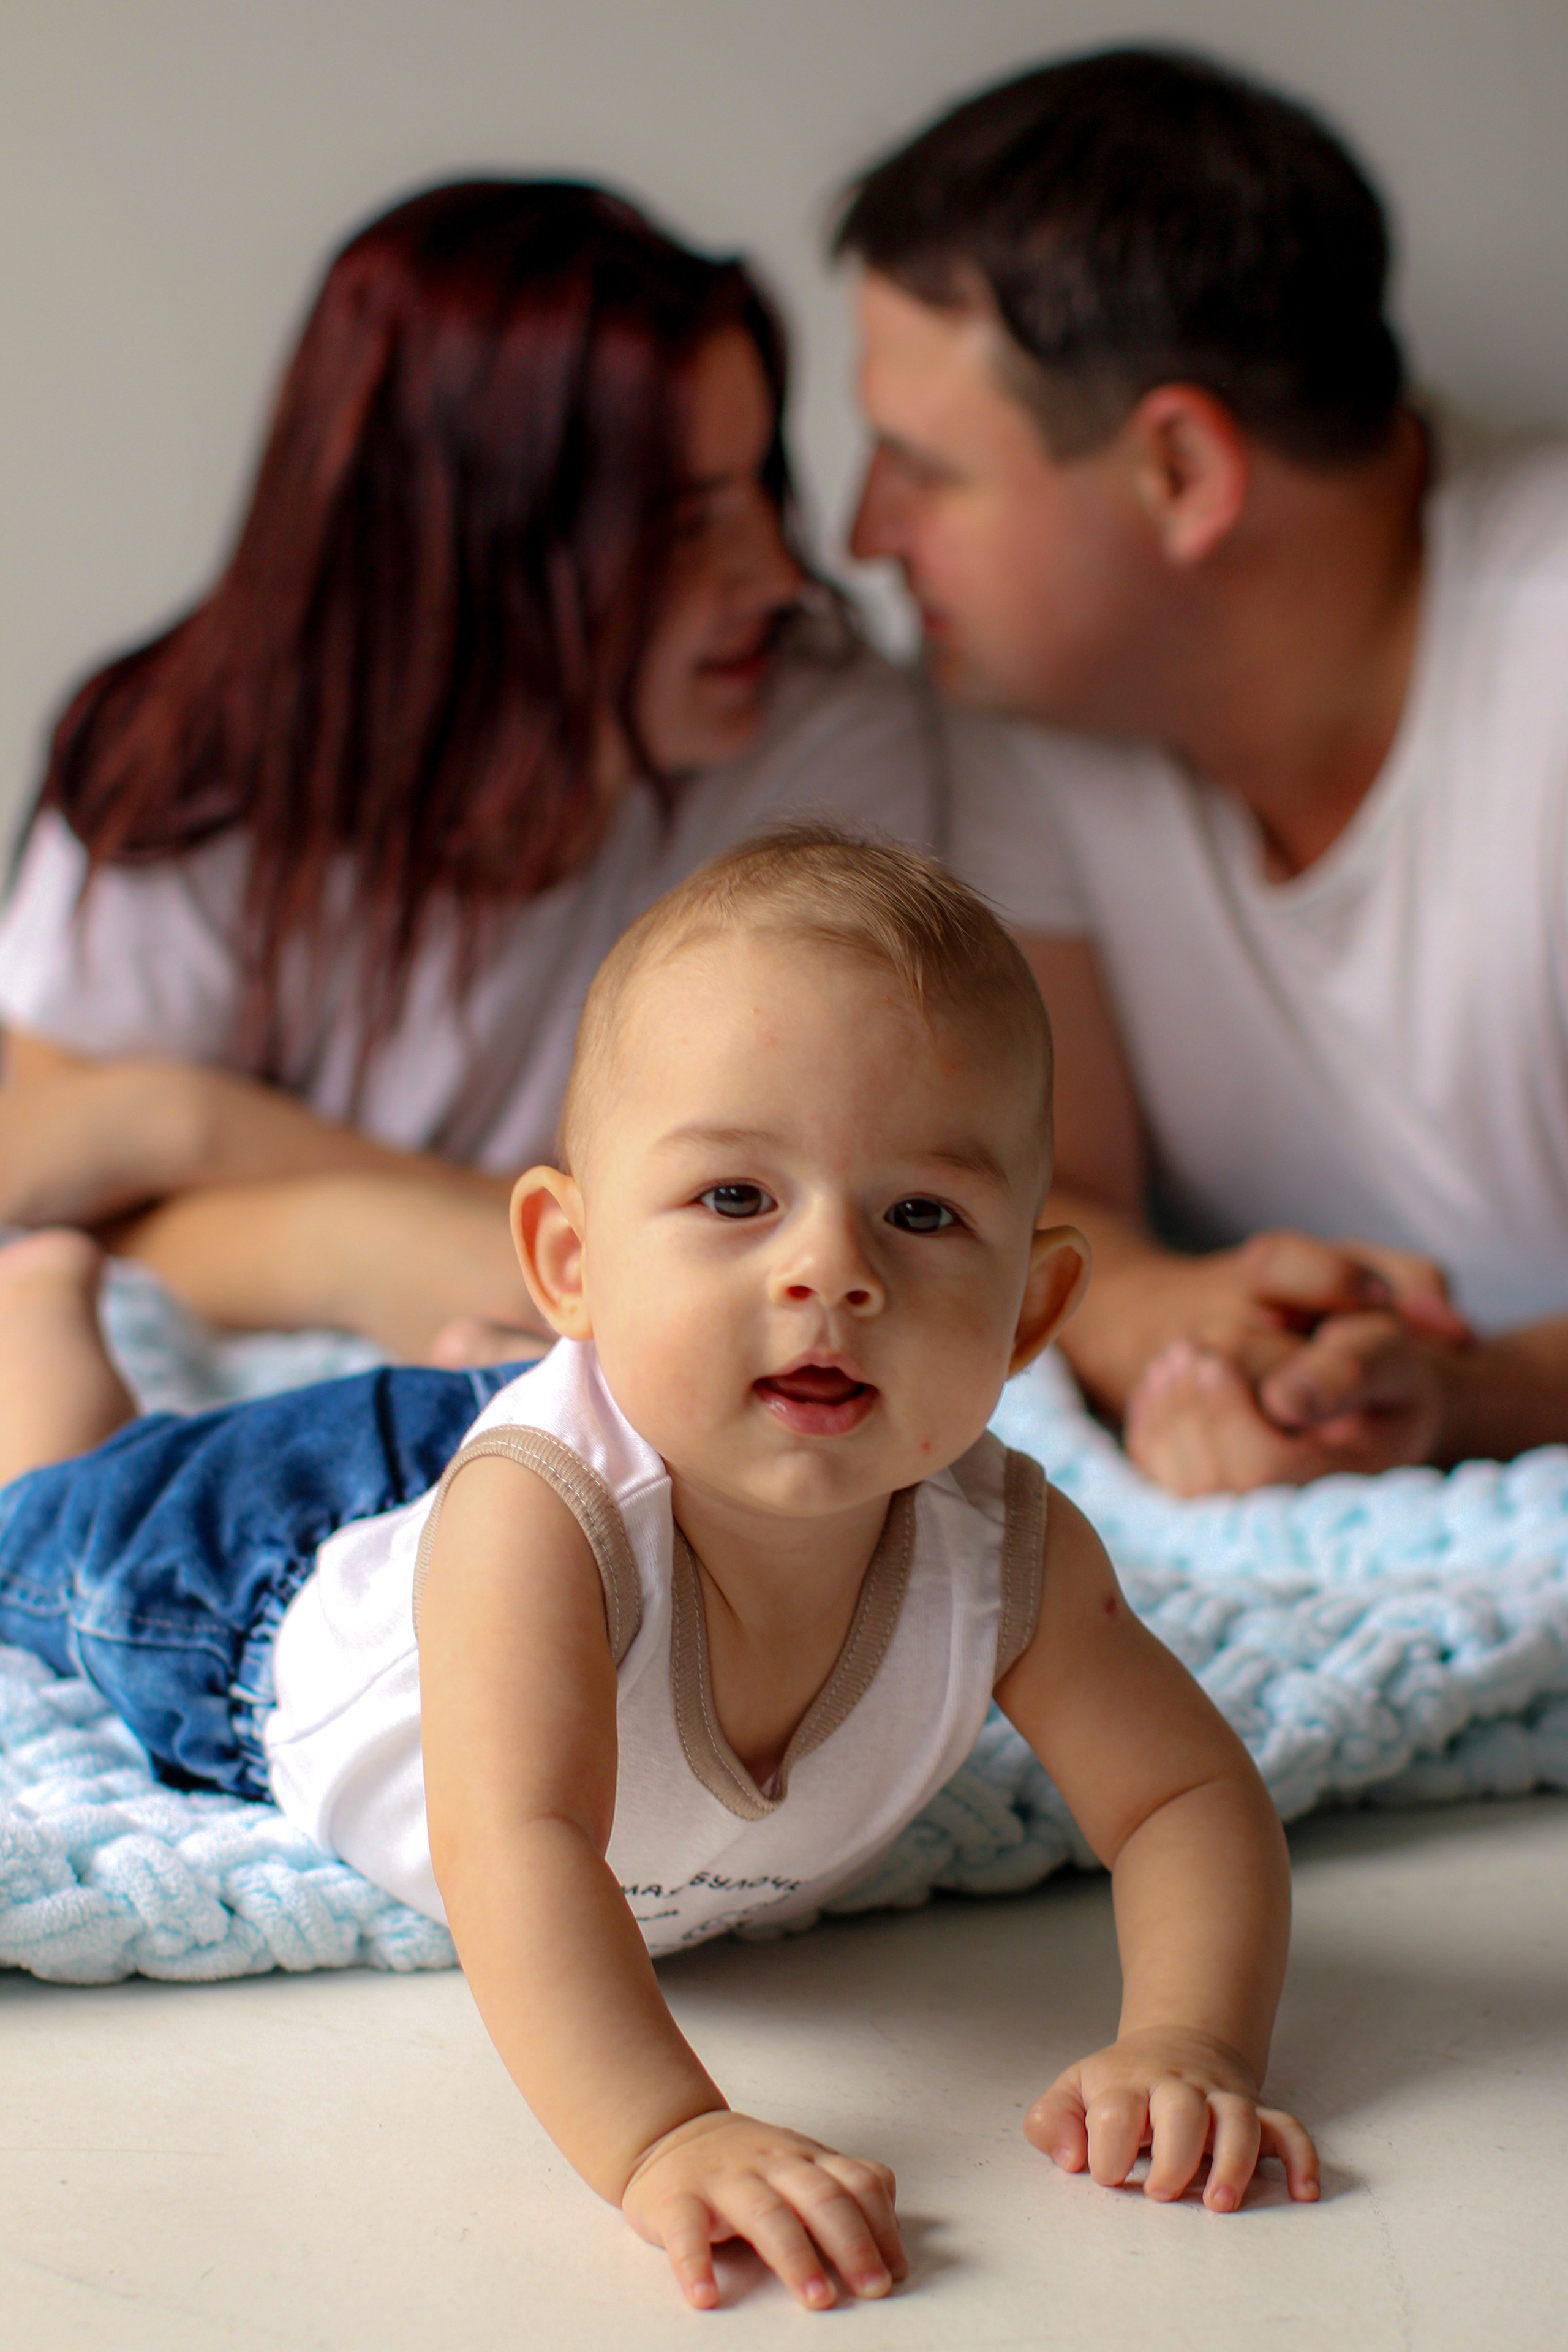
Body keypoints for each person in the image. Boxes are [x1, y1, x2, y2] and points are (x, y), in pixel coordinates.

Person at [0, 829, 1317, 2309]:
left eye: (922, 1214)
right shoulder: (532, 1533)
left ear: (1029, 1311)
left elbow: (1186, 1798)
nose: (831, 1272)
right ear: (568, 1254)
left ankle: (534, 1367)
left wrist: (1189, 2043)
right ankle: (47, 1304)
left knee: (597, 1413)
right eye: (736, 1200)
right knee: (42, 1517)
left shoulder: (1004, 1549)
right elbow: (520, 1846)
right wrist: (665, 2134)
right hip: (266, 1581)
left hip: (618, 1416)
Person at [0, 179, 939, 1362]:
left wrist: (194, 1133)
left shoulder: (818, 738)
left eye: (761, 488)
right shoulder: (186, 766)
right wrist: (362, 1239)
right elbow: (55, 1213)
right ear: (471, 553)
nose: (777, 575)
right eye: (687, 525)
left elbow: (728, 1245)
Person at [837, 47, 1568, 1495]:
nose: (866, 533)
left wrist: (1466, 1395)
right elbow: (1054, 1197)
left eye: (924, 467)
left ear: (1178, 471)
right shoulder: (1025, 696)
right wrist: (1177, 1322)